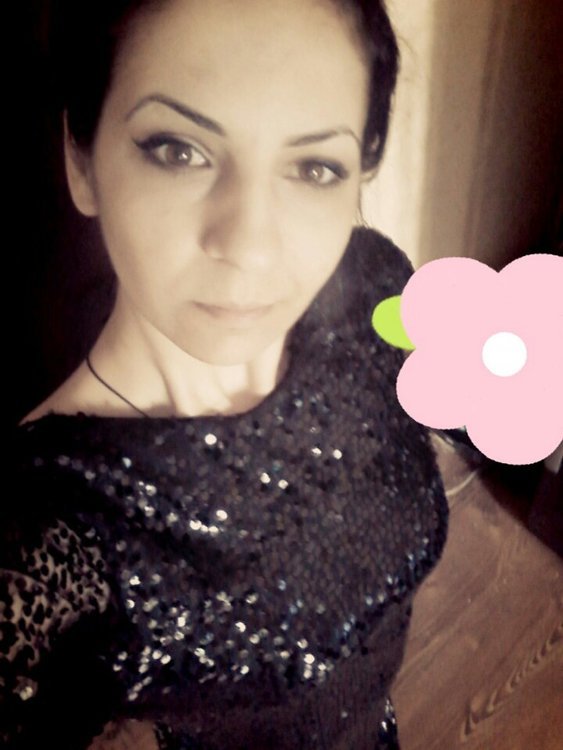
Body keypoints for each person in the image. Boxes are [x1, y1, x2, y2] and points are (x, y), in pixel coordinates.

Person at [1, 1, 449, 748]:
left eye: (313, 168)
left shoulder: (375, 293)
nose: (249, 245)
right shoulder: (48, 531)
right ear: (82, 160)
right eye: (178, 150)